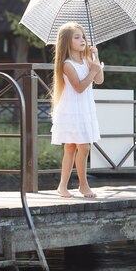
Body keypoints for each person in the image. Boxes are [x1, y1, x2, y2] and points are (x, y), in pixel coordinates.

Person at [51, 21, 104, 198]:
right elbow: (79, 87)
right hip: (72, 109)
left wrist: (96, 60)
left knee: (72, 147)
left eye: (83, 36)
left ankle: (62, 186)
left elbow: (99, 80)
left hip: (85, 108)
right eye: (77, 37)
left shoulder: (87, 60)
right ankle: (83, 185)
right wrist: (92, 71)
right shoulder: (67, 64)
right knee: (83, 147)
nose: (82, 40)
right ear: (67, 42)